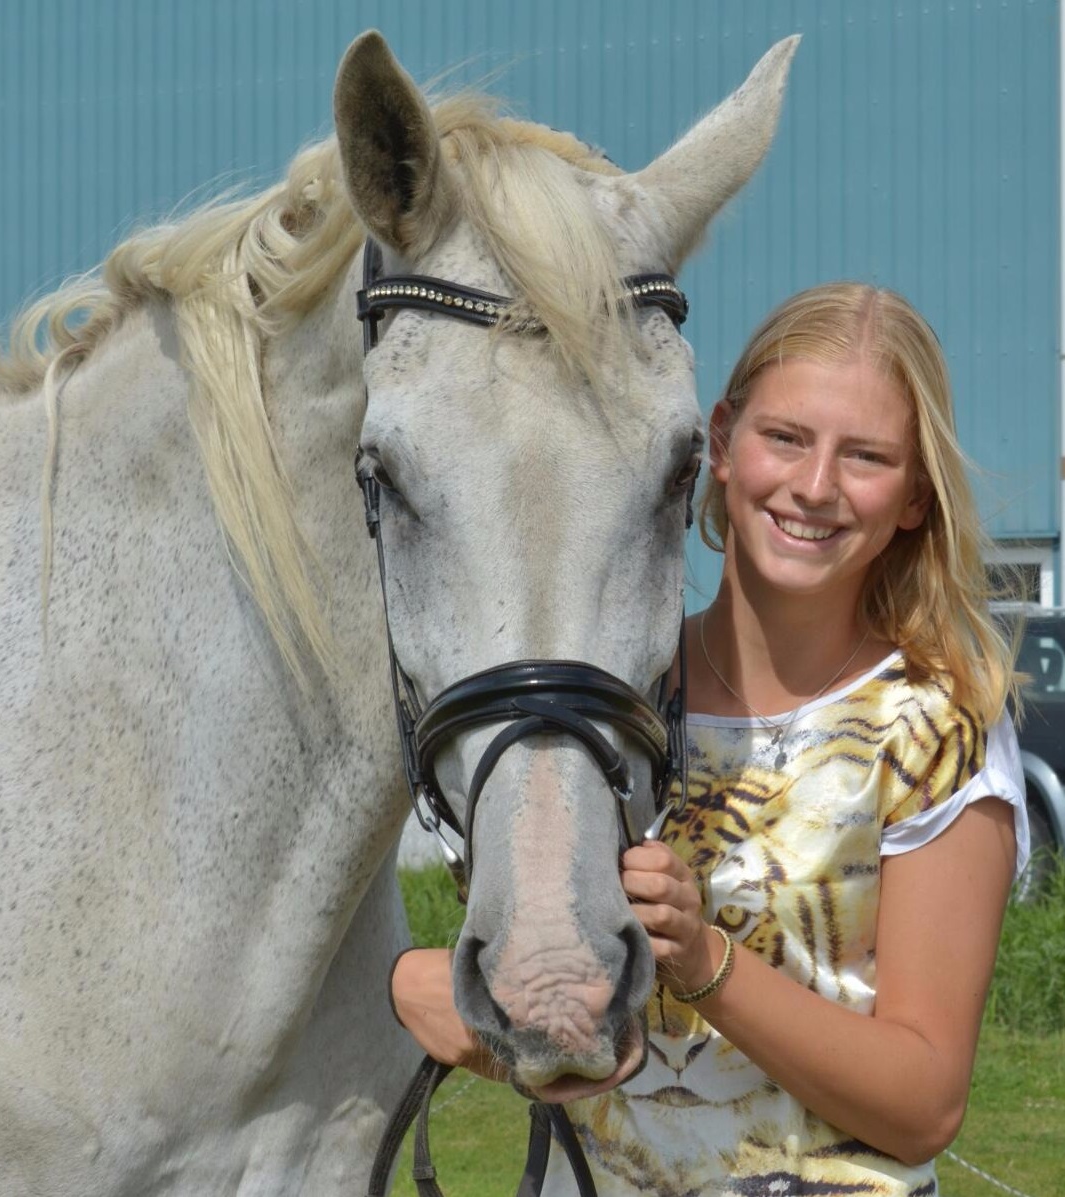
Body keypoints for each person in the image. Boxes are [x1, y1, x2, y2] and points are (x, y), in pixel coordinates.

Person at [391, 282, 1028, 1196]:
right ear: (720, 445)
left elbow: (923, 1103)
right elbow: (565, 1024)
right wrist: (427, 984)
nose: (814, 486)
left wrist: (706, 962)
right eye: (785, 438)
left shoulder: (936, 724)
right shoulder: (611, 706)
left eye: (866, 457)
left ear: (915, 497)